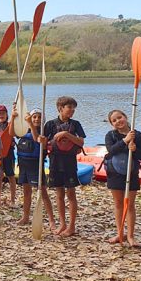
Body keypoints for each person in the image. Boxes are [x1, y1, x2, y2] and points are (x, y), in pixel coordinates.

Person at [104, 109, 141, 246]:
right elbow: (111, 151)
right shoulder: (110, 135)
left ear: (125, 117)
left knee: (130, 205)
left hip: (131, 172)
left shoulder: (137, 135)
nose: (118, 121)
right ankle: (120, 233)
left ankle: (131, 236)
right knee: (118, 204)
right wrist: (124, 141)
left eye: (119, 117)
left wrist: (135, 150)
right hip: (115, 173)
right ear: (112, 124)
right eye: (114, 120)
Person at [44, 96, 86, 237]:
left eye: (74, 108)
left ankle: (72, 225)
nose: (72, 110)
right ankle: (62, 223)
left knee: (71, 194)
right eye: (69, 107)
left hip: (69, 162)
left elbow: (80, 142)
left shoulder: (76, 124)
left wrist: (66, 134)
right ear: (60, 108)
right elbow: (44, 143)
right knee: (59, 194)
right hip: (55, 161)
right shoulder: (50, 124)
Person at [11, 108, 55, 229]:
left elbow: (37, 140)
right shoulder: (24, 130)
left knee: (43, 192)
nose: (36, 119)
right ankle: (25, 217)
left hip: (35, 165)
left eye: (39, 117)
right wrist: (13, 118)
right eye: (34, 117)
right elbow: (11, 134)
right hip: (23, 164)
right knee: (26, 191)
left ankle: (51, 220)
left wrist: (30, 123)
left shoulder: (43, 133)